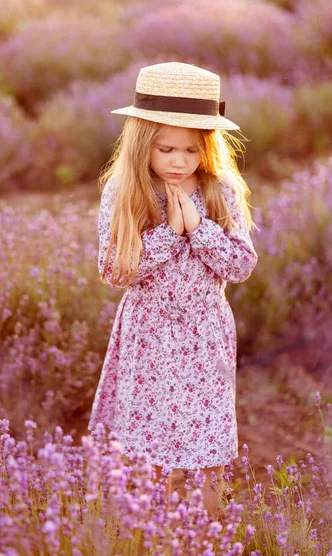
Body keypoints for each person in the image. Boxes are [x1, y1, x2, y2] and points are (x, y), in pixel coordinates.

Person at [87, 62, 259, 518]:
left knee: (208, 442)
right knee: (148, 444)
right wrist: (169, 232)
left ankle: (210, 532)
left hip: (205, 330)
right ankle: (152, 531)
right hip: (147, 331)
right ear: (144, 141)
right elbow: (114, 272)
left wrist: (199, 228)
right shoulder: (124, 190)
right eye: (166, 148)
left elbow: (241, 265)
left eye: (190, 149)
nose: (179, 161)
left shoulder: (220, 188)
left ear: (207, 146)